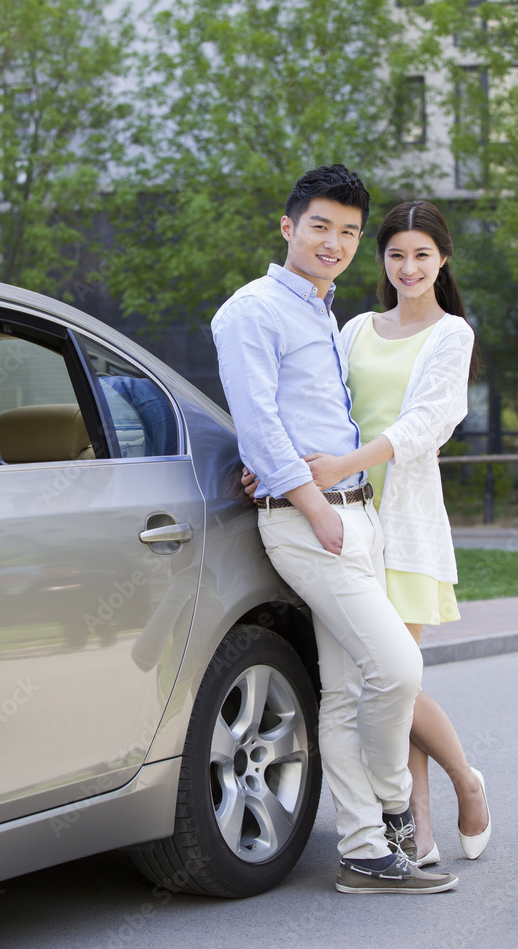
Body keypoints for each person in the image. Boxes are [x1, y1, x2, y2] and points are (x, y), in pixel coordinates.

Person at [211, 164, 458, 894]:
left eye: (349, 232)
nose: (335, 242)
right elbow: (258, 422)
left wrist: (330, 498)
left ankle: (362, 852)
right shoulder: (251, 310)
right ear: (288, 227)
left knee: (349, 693)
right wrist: (312, 507)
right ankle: (392, 804)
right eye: (319, 226)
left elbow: (293, 422)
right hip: (312, 523)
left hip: (360, 514)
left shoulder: (321, 310)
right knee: (398, 670)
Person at [290, 200, 490, 865]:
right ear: (380, 260)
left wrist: (345, 463)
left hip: (401, 521)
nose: (408, 267)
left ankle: (452, 795)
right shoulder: (352, 329)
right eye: (396, 254)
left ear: (441, 261)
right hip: (340, 520)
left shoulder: (450, 334)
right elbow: (316, 405)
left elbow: (427, 423)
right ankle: (422, 815)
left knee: (394, 681)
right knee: (384, 683)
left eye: (421, 256)